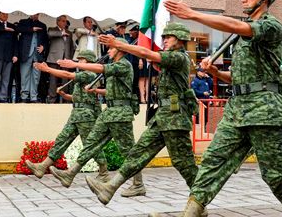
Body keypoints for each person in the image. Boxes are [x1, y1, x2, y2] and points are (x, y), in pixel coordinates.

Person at [163, 0, 282, 217]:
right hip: (237, 110)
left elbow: (240, 27)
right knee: (213, 160)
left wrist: (194, 15)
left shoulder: (271, 26)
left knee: (276, 174)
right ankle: (191, 212)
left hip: (265, 111)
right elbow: (240, 79)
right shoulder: (243, 38)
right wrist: (215, 72)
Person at [87, 23, 200, 208]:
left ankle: (199, 202)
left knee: (184, 164)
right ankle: (110, 188)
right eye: (163, 37)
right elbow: (151, 58)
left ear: (179, 40)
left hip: (175, 119)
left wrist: (120, 44)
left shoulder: (179, 58)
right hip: (162, 117)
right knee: (138, 153)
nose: (163, 40)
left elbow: (148, 54)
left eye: (168, 37)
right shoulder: (170, 59)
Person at [49, 38, 146, 197]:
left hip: (121, 113)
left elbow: (101, 68)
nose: (108, 51)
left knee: (128, 151)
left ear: (120, 49)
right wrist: (97, 92)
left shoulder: (124, 65)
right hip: (109, 112)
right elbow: (114, 90)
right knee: (91, 142)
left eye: (111, 48)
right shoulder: (115, 66)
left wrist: (76, 65)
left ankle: (138, 184)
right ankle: (70, 174)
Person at [25, 50, 109, 181]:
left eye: (81, 60)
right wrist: (65, 96)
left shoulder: (90, 74)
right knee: (62, 139)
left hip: (85, 116)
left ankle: (104, 171)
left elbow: (66, 74)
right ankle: (43, 166)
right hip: (77, 114)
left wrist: (47, 69)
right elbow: (79, 98)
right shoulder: (84, 75)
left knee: (90, 144)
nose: (79, 62)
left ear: (87, 61)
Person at [17, 14, 48, 103]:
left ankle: (33, 97)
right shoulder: (23, 22)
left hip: (37, 54)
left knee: (36, 76)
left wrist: (44, 47)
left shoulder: (42, 25)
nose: (36, 15)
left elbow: (46, 39)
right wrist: (31, 29)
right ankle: (24, 96)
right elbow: (18, 29)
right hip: (26, 53)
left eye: (37, 14)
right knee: (24, 75)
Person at [46, 15, 74, 103]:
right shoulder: (52, 29)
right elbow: (50, 35)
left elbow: (71, 47)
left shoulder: (69, 32)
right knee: (53, 80)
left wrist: (71, 59)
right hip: (54, 58)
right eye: (63, 21)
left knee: (65, 80)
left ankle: (65, 99)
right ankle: (52, 99)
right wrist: (61, 33)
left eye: (65, 21)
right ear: (57, 21)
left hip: (65, 59)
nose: (65, 23)